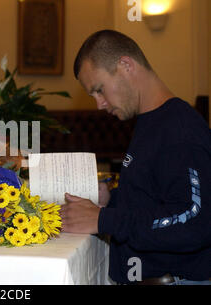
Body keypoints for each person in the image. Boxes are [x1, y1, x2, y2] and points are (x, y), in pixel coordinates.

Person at [61, 29, 211, 285]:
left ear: (125, 65)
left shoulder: (180, 130)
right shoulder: (149, 121)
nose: (99, 104)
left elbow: (195, 221)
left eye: (99, 90)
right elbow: (155, 197)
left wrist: (104, 218)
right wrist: (113, 198)